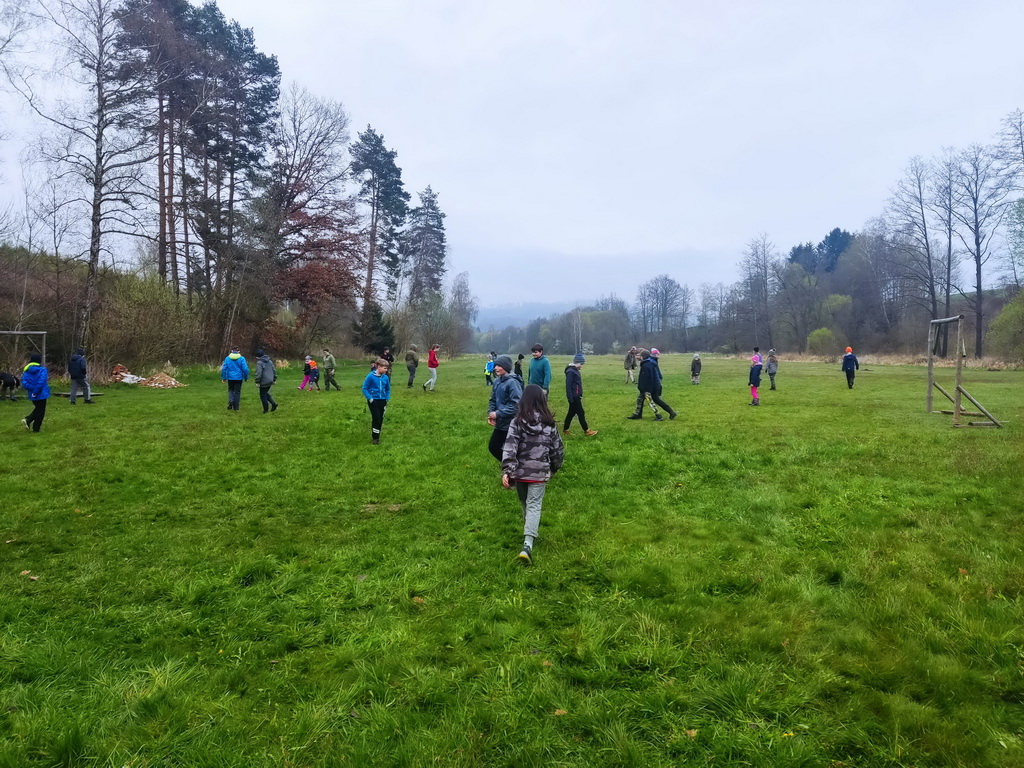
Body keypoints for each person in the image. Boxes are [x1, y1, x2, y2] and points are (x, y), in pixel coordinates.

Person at [501, 384, 565, 566]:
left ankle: (527, 538)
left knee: (526, 503)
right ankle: (528, 543)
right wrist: (554, 467)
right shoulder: (549, 424)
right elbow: (557, 449)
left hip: (520, 473)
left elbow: (510, 447)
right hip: (539, 473)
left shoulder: (516, 422)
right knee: (533, 505)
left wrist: (508, 470)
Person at [487, 355, 523, 461]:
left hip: (512, 423)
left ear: (506, 367)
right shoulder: (497, 381)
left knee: (510, 449)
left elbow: (517, 404)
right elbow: (492, 400)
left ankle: (514, 466)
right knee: (494, 447)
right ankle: (511, 466)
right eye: (495, 365)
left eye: (499, 366)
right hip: (500, 423)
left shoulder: (513, 382)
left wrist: (498, 414)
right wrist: (491, 414)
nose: (496, 368)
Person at [627, 350, 677, 420]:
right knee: (641, 400)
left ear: (643, 357)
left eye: (640, 355)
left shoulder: (646, 366)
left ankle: (659, 416)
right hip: (654, 386)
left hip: (648, 387)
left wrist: (644, 389)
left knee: (650, 401)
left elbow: (646, 379)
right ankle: (638, 414)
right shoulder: (650, 363)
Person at [563, 353, 597, 436]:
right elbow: (568, 386)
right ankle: (586, 430)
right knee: (581, 413)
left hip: (577, 395)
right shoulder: (571, 372)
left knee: (571, 413)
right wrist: (570, 398)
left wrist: (580, 394)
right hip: (574, 397)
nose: (581, 366)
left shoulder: (575, 371)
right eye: (581, 364)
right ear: (577, 362)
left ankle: (565, 430)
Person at [362, 358, 391, 444]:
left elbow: (388, 389)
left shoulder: (386, 378)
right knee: (376, 418)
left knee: (381, 418)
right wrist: (370, 398)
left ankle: (377, 433)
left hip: (383, 401)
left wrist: (387, 398)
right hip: (373, 401)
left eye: (387, 368)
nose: (386, 370)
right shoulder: (370, 376)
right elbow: (364, 388)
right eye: (385, 368)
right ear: (379, 367)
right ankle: (375, 438)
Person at [20, 354, 50, 432]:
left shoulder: (26, 371)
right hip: (41, 393)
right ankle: (34, 426)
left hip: (32, 394)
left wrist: (33, 389)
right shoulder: (42, 370)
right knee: (41, 411)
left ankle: (30, 422)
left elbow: (24, 383)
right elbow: (41, 382)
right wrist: (36, 391)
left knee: (38, 409)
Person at [221, 345, 249, 411]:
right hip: (239, 378)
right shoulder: (242, 358)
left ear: (231, 351)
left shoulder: (227, 358)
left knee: (231, 390)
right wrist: (246, 377)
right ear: (238, 351)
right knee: (237, 392)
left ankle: (231, 401)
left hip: (230, 378)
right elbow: (245, 369)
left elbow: (224, 368)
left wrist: (224, 377)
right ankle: (236, 407)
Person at [254, 349, 278, 413]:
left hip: (263, 381)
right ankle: (274, 404)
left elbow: (258, 373)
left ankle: (265, 410)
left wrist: (257, 381)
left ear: (258, 357)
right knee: (265, 393)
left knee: (262, 395)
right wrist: (274, 379)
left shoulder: (259, 363)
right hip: (270, 380)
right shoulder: (270, 361)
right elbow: (274, 370)